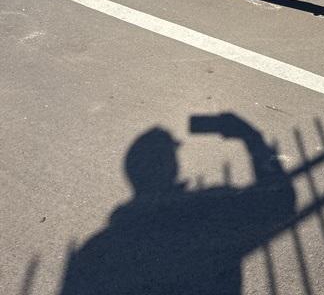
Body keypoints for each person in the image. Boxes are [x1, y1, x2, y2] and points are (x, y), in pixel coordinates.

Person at [60, 114, 295, 295]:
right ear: (171, 166)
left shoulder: (97, 250)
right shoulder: (209, 212)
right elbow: (280, 202)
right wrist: (252, 137)